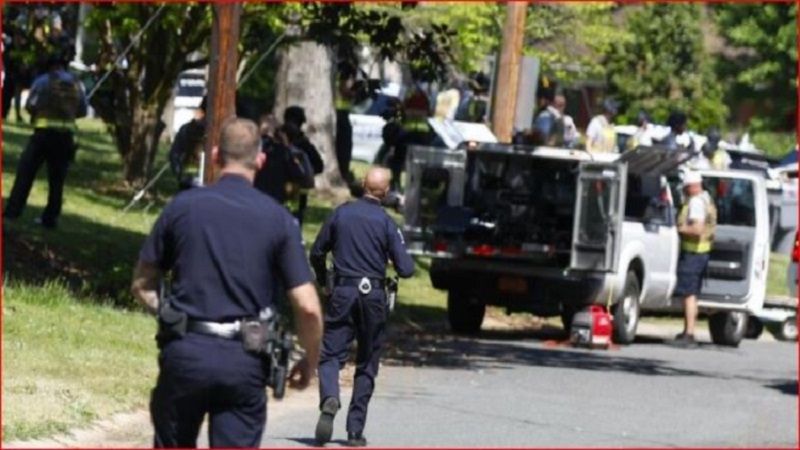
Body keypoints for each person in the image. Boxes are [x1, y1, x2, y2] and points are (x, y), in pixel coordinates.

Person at [130, 118, 323, 447]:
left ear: (216, 154)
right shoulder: (278, 219)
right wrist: (310, 359)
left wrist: (169, 313)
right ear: (260, 161)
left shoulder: (182, 207)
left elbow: (142, 283)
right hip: (244, 361)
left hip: (185, 353)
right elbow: (307, 306)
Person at [310, 167, 415, 447]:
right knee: (367, 359)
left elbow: (317, 252)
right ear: (387, 191)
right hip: (373, 297)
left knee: (331, 353)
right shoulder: (387, 223)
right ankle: (355, 431)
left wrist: (324, 282)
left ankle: (330, 396)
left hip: (342, 291)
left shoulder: (341, 213)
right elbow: (406, 269)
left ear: (362, 186)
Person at [4, 52, 87, 228]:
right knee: (57, 181)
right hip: (65, 138)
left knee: (25, 174)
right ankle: (50, 219)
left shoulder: (43, 81)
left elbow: (30, 104)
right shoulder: (76, 84)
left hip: (42, 135)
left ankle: (12, 212)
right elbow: (83, 111)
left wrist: (38, 114)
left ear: (49, 66)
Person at [673, 171, 717, 347]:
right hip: (701, 252)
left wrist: (679, 228)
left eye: (685, 187)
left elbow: (697, 229)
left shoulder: (697, 202)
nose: (684, 190)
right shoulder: (706, 199)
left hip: (693, 253)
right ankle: (687, 331)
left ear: (692, 186)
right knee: (692, 294)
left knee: (689, 294)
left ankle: (689, 334)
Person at [281, 105, 323, 225]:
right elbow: (319, 166)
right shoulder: (305, 146)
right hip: (294, 194)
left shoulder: (303, 146)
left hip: (295, 193)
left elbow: (319, 166)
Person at [169, 97, 207, 190]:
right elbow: (174, 155)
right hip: (189, 183)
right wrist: (180, 174)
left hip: (190, 182)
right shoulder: (186, 130)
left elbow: (174, 154)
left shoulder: (185, 129)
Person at [335, 62, 356, 185]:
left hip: (341, 114)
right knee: (344, 146)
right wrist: (355, 93)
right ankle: (344, 172)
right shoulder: (343, 78)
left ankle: (344, 171)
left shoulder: (336, 77)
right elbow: (345, 92)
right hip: (341, 114)